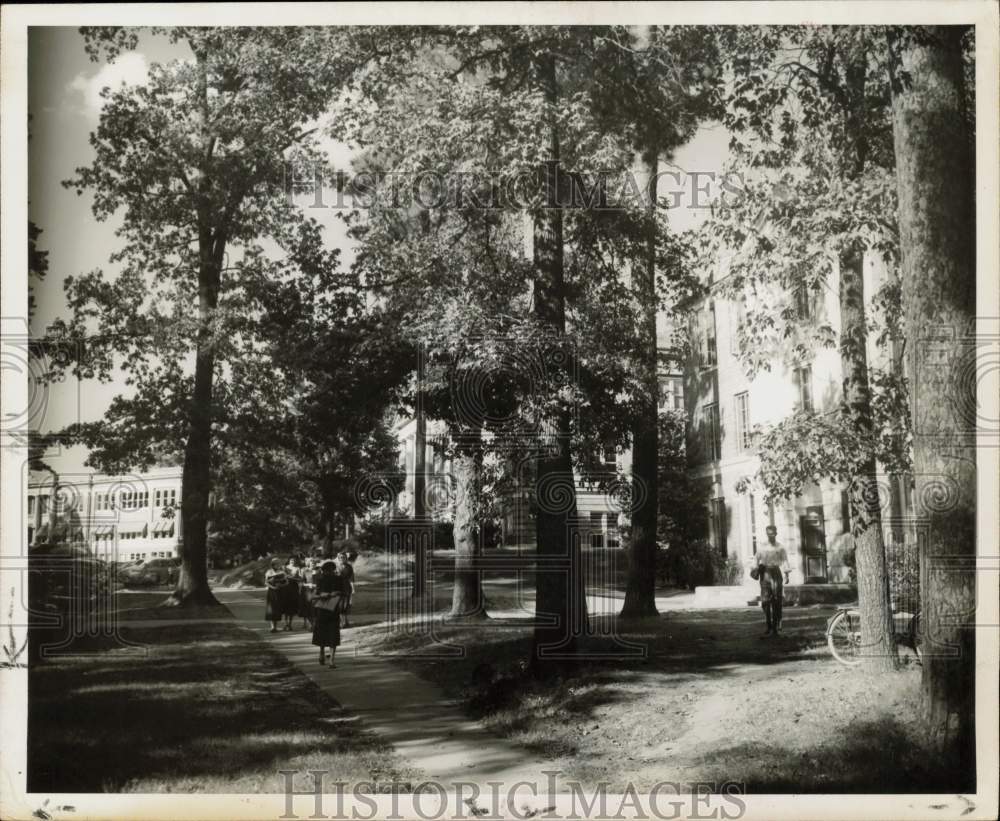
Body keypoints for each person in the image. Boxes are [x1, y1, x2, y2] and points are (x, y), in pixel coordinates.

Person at [754, 525, 792, 637]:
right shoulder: (762, 547)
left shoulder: (780, 547)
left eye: (772, 534)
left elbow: (785, 561)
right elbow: (756, 558)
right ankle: (768, 624)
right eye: (768, 534)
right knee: (765, 601)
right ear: (766, 534)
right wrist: (755, 569)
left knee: (777, 600)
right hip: (765, 573)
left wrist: (786, 574)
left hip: (776, 573)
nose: (770, 536)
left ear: (776, 533)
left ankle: (776, 626)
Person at [312, 559, 347, 666]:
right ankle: (331, 660)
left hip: (322, 608)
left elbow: (315, 595)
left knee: (322, 632)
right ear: (333, 569)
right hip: (334, 609)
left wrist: (323, 595)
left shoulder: (320, 579)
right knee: (333, 633)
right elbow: (344, 593)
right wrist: (336, 594)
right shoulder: (339, 579)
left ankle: (321, 654)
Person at [264, 558, 289, 633]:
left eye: (278, 563)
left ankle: (275, 626)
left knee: (277, 609)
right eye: (276, 564)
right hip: (272, 592)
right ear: (273, 564)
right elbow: (266, 582)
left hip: (279, 592)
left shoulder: (282, 572)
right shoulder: (269, 572)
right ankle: (272, 627)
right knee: (271, 609)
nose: (278, 565)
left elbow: (287, 582)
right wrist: (273, 587)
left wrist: (281, 585)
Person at [337, 551, 356, 629]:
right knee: (339, 605)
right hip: (337, 588)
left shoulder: (349, 567)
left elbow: (351, 579)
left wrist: (353, 589)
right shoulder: (336, 567)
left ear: (346, 558)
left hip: (346, 587)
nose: (342, 559)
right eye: (340, 557)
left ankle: (346, 621)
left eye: (344, 557)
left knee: (346, 605)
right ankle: (342, 622)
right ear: (338, 558)